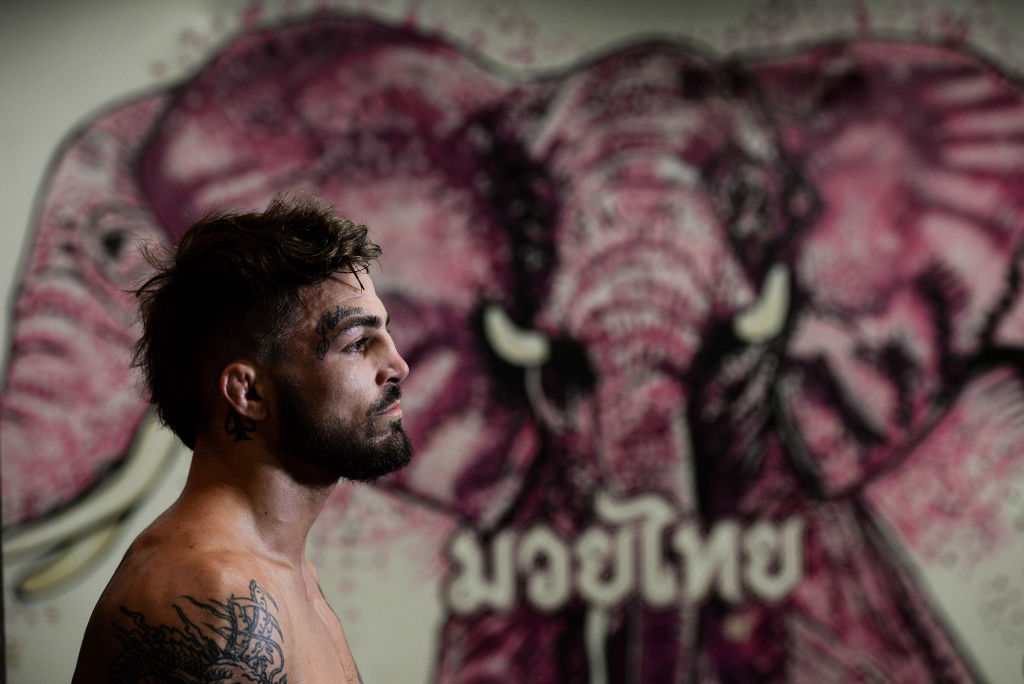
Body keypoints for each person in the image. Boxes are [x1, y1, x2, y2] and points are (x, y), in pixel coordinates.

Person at [71, 194, 412, 683]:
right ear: (247, 392)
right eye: (358, 343)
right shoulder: (214, 600)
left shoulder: (288, 576)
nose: (399, 365)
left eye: (386, 335)